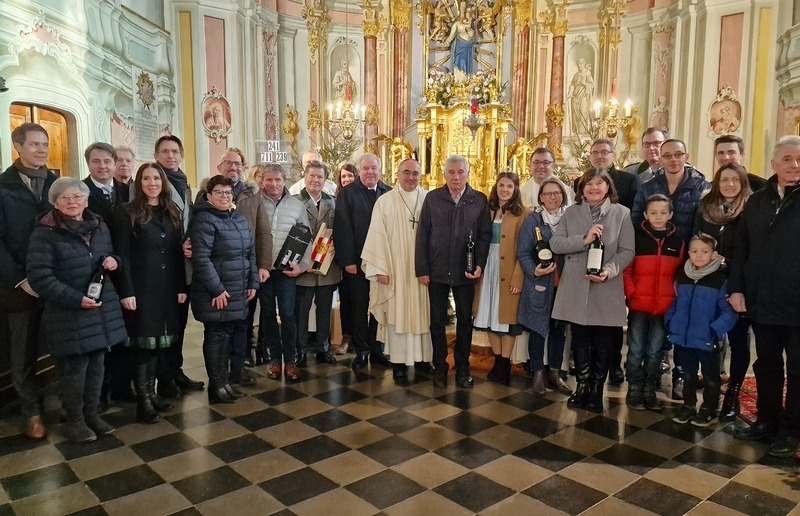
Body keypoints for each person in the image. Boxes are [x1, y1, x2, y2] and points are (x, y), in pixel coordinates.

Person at [27, 177, 127, 442]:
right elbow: (40, 277)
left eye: (77, 197)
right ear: (55, 203)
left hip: (99, 308)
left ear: (86, 200)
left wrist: (113, 261)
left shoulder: (98, 226)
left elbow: (112, 255)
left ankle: (92, 415)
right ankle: (74, 421)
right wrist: (75, 299)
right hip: (68, 313)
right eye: (65, 198)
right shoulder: (44, 233)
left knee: (97, 365)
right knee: (74, 369)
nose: (72, 202)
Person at [729, 136, 800, 456]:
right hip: (763, 300)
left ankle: (792, 429)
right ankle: (767, 420)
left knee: (798, 369)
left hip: (797, 303)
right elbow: (741, 248)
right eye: (787, 159)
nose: (794, 165)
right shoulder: (757, 201)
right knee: (767, 363)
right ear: (774, 165)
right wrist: (737, 288)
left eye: (799, 159)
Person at [550, 169, 635, 413]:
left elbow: (627, 251)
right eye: (589, 184)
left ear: (608, 187)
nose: (594, 188)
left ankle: (597, 389)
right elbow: (556, 243)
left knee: (603, 341)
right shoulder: (572, 212)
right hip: (576, 283)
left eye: (599, 183)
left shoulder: (622, 213)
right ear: (581, 188)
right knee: (580, 338)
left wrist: (609, 270)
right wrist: (584, 240)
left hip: (606, 285)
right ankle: (583, 387)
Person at [631, 138, 710, 399]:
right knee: (649, 339)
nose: (673, 159)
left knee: (680, 325)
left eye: (678, 154)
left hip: (687, 262)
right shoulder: (648, 186)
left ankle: (680, 378)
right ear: (660, 158)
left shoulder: (700, 186)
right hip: (651, 261)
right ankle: (646, 383)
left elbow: (704, 223)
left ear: (686, 156)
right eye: (667, 155)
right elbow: (635, 222)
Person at [113, 164, 186, 423]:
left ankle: (153, 395)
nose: (152, 183)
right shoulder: (127, 213)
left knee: (159, 344)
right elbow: (122, 255)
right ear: (139, 183)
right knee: (144, 345)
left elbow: (176, 254)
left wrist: (180, 287)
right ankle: (143, 401)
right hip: (141, 289)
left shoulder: (172, 211)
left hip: (166, 288)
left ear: (163, 182)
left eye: (156, 178)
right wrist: (127, 291)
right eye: (146, 178)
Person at [0, 123, 57, 440]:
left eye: (45, 144)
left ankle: (67, 404)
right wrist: (21, 278)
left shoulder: (55, 183)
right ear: (17, 146)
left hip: (53, 281)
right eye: (35, 144)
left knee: (59, 343)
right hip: (18, 285)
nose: (41, 150)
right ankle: (31, 411)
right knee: (21, 352)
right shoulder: (3, 186)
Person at [416, 154, 492, 388]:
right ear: (444, 174)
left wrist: (479, 264)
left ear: (468, 174)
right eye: (451, 172)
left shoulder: (479, 199)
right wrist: (422, 268)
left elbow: (484, 235)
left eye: (461, 172)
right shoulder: (433, 198)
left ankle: (462, 367)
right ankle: (440, 366)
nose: (456, 177)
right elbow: (423, 235)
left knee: (464, 322)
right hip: (437, 270)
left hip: (465, 271)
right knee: (437, 322)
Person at [189, 176, 259, 404]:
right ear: (208, 195)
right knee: (216, 337)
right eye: (219, 192)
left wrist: (253, 282)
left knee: (227, 336)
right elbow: (201, 259)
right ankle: (216, 386)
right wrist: (216, 290)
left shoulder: (238, 218)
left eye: (228, 193)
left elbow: (249, 253)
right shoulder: (204, 220)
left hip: (237, 289)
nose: (224, 196)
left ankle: (225, 382)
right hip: (216, 292)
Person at [362, 159, 432, 379]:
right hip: (395, 268)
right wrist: (380, 268)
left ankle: (422, 359)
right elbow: (376, 236)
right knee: (398, 310)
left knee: (423, 312)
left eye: (416, 173)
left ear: (421, 175)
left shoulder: (429, 199)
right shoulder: (385, 201)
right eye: (406, 172)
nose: (411, 177)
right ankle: (399, 362)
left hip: (423, 270)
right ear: (397, 174)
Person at [578, 138, 639, 386]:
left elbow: (628, 239)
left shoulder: (628, 182)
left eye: (605, 152)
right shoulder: (579, 192)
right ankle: (585, 384)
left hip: (612, 264)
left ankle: (613, 367)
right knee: (583, 330)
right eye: (595, 152)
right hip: (581, 271)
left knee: (608, 326)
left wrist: (610, 267)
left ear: (613, 155)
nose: (600, 156)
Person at [693, 162, 752, 421]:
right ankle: (711, 389)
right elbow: (695, 240)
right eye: (724, 179)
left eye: (734, 180)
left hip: (741, 282)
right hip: (710, 282)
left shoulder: (752, 208)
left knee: (739, 340)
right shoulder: (705, 208)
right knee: (711, 338)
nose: (729, 184)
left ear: (742, 183)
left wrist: (725, 260)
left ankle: (733, 394)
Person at [154, 135, 205, 398]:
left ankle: (176, 371)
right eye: (164, 151)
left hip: (182, 266)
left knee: (179, 323)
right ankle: (163, 378)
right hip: (164, 266)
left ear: (181, 154)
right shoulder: (153, 182)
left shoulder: (182, 182)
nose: (170, 156)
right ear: (156, 156)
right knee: (165, 325)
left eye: (175, 151)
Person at [667, 234, 737, 426]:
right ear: (688, 253)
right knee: (687, 374)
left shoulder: (720, 279)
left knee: (710, 377)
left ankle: (709, 408)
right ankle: (689, 405)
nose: (699, 255)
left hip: (708, 337)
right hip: (684, 338)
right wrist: (670, 322)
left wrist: (715, 330)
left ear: (713, 254)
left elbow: (728, 311)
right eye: (694, 251)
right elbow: (676, 302)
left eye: (704, 251)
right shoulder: (683, 276)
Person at [623, 194, 684, 411]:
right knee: (636, 350)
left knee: (654, 352)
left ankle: (649, 389)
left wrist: (675, 300)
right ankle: (634, 388)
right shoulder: (636, 237)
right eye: (654, 213)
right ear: (646, 214)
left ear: (671, 214)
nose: (659, 217)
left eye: (663, 213)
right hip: (639, 305)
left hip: (663, 308)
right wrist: (631, 292)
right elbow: (627, 269)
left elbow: (680, 273)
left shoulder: (677, 241)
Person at [334, 153, 393, 370]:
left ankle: (377, 349)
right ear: (360, 171)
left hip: (382, 263)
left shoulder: (389, 193)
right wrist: (348, 260)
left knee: (379, 306)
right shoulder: (348, 194)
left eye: (374, 168)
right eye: (366, 168)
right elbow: (343, 228)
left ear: (380, 170)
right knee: (359, 307)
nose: (370, 172)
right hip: (357, 262)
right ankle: (362, 350)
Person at [517, 178, 572, 395]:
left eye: (556, 193)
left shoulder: (570, 219)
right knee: (538, 330)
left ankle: (555, 374)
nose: (552, 197)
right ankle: (538, 374)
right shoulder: (533, 221)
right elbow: (522, 252)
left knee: (559, 331)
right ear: (541, 197)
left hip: (564, 285)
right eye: (547, 194)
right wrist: (534, 270)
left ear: (563, 195)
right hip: (540, 283)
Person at [472, 172, 527, 385]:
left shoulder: (523, 214)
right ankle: (498, 361)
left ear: (515, 190)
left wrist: (518, 278)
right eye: (501, 185)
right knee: (489, 317)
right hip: (488, 268)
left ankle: (505, 363)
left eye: (509, 187)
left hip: (509, 270)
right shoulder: (486, 210)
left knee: (507, 320)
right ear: (496, 187)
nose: (505, 190)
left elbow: (525, 250)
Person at [257, 163, 310, 381]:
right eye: (269, 180)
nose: (274, 184)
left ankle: (291, 360)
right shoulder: (256, 203)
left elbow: (307, 236)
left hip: (287, 271)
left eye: (277, 180)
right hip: (264, 271)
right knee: (268, 315)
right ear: (262, 181)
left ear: (284, 181)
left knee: (288, 315)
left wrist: (302, 266)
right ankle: (274, 360)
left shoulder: (296, 205)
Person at [294, 161, 342, 366]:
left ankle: (322, 348)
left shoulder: (333, 202)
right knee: (301, 310)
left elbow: (341, 230)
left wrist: (337, 245)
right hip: (303, 266)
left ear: (325, 180)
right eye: (312, 176)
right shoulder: (294, 201)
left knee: (324, 310)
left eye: (320, 177)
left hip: (327, 266)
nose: (315, 180)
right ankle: (300, 349)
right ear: (305, 177)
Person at [231, 160, 272, 382]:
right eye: (228, 163)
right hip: (222, 268)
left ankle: (244, 355)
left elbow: (263, 232)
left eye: (237, 164)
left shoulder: (251, 195)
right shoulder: (211, 191)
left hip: (249, 265)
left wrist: (262, 265)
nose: (233, 168)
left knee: (248, 313)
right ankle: (224, 366)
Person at [334, 163, 358, 354]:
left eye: (350, 176)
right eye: (343, 177)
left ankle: (360, 337)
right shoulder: (337, 197)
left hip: (360, 257)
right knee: (347, 299)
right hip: (343, 257)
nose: (347, 179)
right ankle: (347, 336)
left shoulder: (359, 195)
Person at [82, 142, 130, 230]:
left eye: (107, 161)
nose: (102, 166)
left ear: (115, 164)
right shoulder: (79, 191)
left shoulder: (128, 191)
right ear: (88, 164)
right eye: (96, 161)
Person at [568, 58, 594, 134]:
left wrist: (584, 83)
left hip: (584, 95)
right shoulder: (576, 75)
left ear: (584, 64)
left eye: (581, 63)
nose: (579, 65)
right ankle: (576, 131)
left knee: (583, 112)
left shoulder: (587, 73)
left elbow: (591, 85)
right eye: (578, 64)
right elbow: (572, 84)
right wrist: (570, 93)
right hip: (575, 96)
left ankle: (582, 131)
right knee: (576, 113)